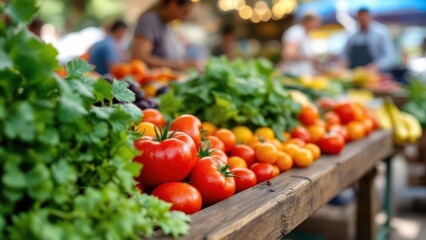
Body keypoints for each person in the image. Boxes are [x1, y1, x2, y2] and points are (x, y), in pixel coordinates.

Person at [131, 0, 196, 71]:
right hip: (153, 80)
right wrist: (180, 65)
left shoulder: (168, 25)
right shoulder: (150, 20)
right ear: (173, 4)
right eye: (184, 13)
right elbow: (139, 57)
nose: (184, 19)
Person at [341, 8, 396, 72]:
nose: (362, 21)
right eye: (360, 19)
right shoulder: (351, 35)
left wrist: (377, 66)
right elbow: (344, 55)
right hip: (353, 74)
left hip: (376, 74)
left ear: (370, 17)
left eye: (364, 18)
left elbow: (390, 57)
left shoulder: (381, 33)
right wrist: (343, 63)